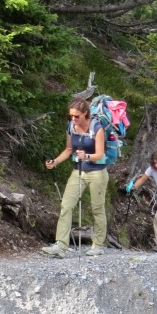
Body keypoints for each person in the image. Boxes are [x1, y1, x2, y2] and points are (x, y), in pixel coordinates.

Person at [42, 98, 110, 258]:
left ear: (85, 113)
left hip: (97, 172)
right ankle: (60, 245)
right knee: (66, 205)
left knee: (97, 208)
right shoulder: (71, 127)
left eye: (76, 116)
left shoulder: (97, 128)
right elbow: (68, 149)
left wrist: (86, 156)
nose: (73, 119)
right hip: (78, 171)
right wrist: (55, 162)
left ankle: (98, 245)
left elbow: (100, 154)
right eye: (71, 115)